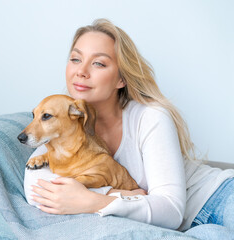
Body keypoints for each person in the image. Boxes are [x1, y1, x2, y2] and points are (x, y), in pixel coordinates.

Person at [24, 18, 234, 233]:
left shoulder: (150, 117)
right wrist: (118, 195)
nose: (81, 71)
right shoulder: (63, 123)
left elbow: (171, 210)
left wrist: (92, 201)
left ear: (121, 79)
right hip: (175, 229)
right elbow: (35, 187)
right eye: (75, 59)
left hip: (217, 197)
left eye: (99, 63)